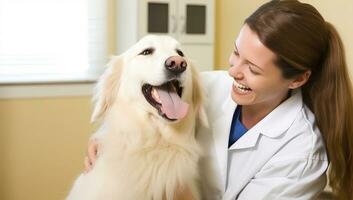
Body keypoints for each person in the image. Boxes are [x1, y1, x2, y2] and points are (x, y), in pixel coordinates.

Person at [84, 0, 353, 199]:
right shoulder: (209, 86)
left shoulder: (301, 154)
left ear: (297, 80)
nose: (234, 71)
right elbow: (139, 107)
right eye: (236, 53)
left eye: (253, 69)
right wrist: (105, 138)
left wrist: (179, 192)